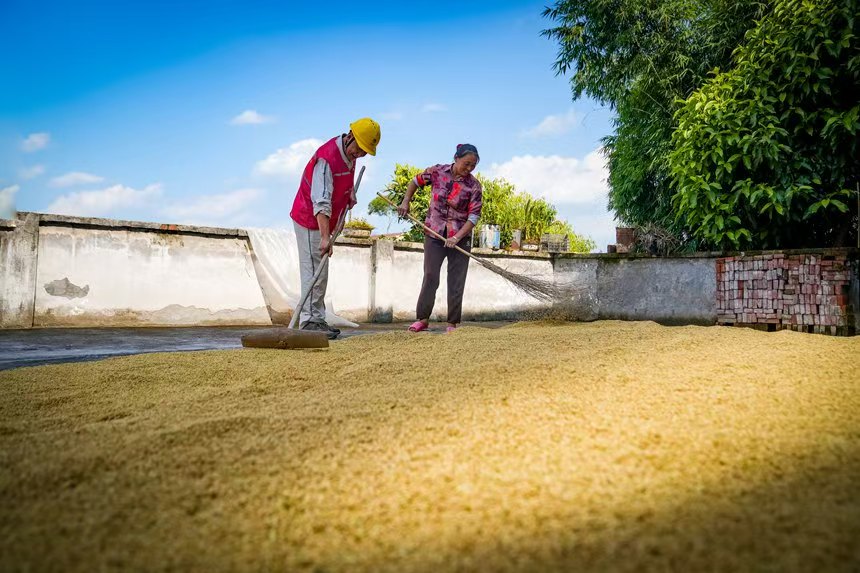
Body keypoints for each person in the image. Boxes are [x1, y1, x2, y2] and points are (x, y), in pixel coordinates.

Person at [290, 118, 381, 339]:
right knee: (315, 271)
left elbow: (345, 177)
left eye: (364, 153)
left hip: (326, 221)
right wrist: (324, 237)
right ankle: (309, 321)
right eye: (358, 150)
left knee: (321, 272)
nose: (359, 155)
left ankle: (316, 319)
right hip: (310, 219)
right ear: (350, 136)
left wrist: (349, 192)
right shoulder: (327, 159)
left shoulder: (351, 153)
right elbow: (320, 201)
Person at [397, 144, 482, 333]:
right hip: (434, 232)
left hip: (460, 237)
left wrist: (457, 236)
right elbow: (415, 181)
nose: (468, 169)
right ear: (456, 158)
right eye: (466, 164)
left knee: (456, 280)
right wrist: (406, 201)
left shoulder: (474, 186)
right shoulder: (437, 172)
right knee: (430, 276)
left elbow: (474, 217)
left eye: (473, 166)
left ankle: (452, 324)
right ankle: (422, 319)